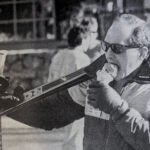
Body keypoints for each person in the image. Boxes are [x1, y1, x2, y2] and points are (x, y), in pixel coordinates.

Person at [86, 14, 150, 150]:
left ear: (142, 53)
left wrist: (118, 109)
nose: (108, 54)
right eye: (106, 46)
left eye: (117, 48)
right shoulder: (100, 80)